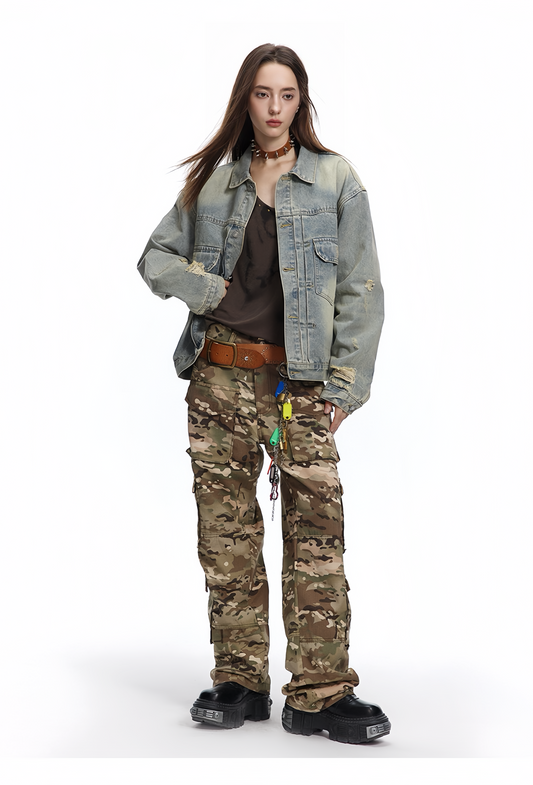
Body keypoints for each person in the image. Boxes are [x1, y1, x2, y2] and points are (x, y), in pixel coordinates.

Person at [137, 43, 390, 745]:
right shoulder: (215, 185)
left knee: (317, 538)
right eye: (261, 93)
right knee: (227, 537)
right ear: (244, 101)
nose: (274, 108)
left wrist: (343, 390)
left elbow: (363, 290)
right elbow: (154, 257)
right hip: (218, 379)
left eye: (286, 94)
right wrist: (208, 288)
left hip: (298, 386)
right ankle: (239, 680)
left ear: (300, 102)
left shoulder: (335, 179)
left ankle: (319, 693)